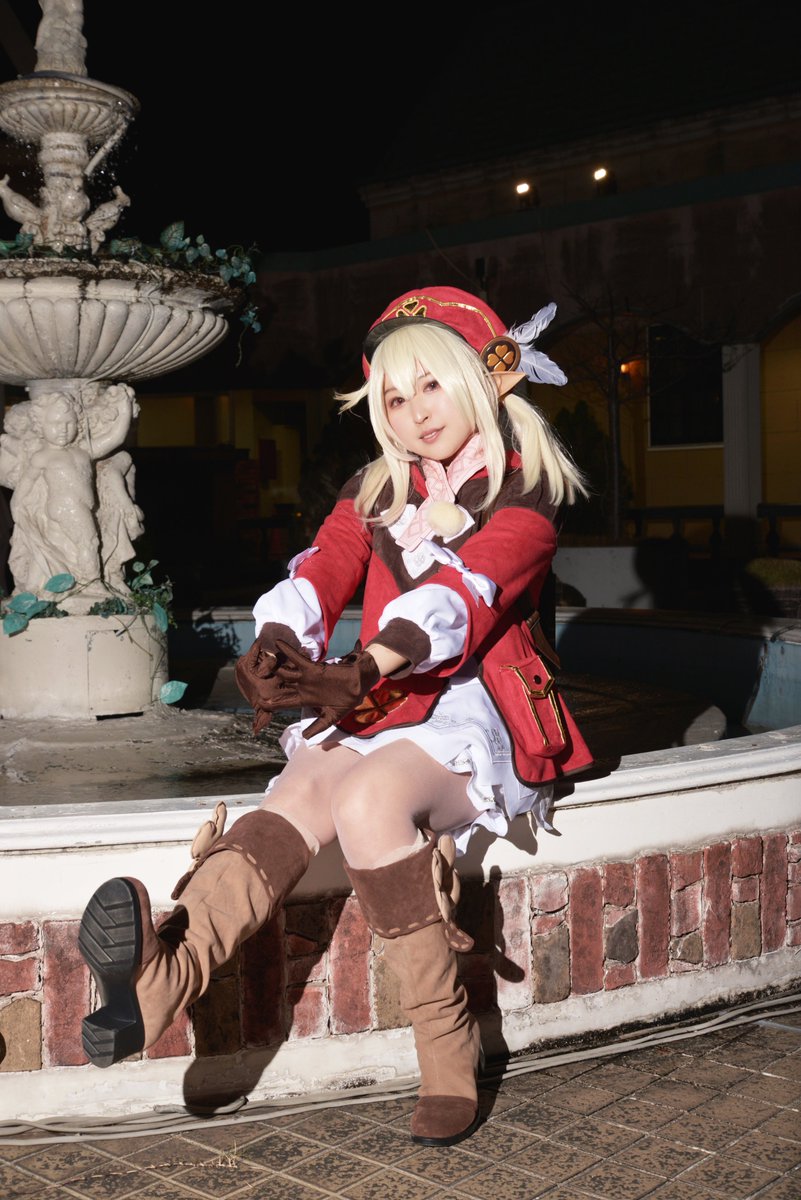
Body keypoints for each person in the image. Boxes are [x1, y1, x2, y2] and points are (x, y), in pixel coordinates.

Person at [78, 286, 594, 1148]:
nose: (413, 411)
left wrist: (366, 664)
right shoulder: (377, 487)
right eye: (393, 396)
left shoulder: (524, 486)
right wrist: (279, 642)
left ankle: (447, 1047)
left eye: (430, 384)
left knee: (366, 799)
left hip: (476, 703)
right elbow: (325, 561)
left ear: (482, 379)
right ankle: (165, 978)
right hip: (383, 691)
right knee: (300, 791)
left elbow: (468, 593)